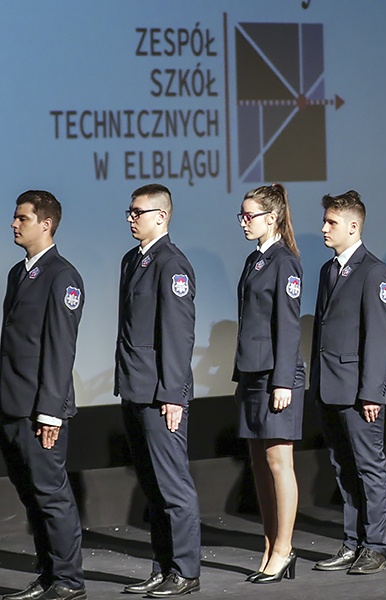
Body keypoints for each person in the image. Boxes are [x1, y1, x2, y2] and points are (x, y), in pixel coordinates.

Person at [115, 184, 201, 596]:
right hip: (134, 388)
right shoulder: (133, 259)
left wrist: (173, 394)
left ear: (161, 216)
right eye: (129, 212)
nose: (131, 218)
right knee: (152, 486)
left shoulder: (172, 264)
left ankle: (185, 571)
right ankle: (162, 566)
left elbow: (179, 336)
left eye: (138, 211)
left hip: (159, 393)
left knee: (173, 486)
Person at [0, 191, 86, 600]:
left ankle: (69, 581)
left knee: (51, 496)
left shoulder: (62, 275)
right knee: (32, 497)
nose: (14, 224)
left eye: (22, 218)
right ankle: (49, 575)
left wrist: (50, 412)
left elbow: (60, 347)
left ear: (45, 223)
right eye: (14, 218)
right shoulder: (20, 272)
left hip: (40, 410)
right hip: (11, 403)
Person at [309, 190, 386, 575]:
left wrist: (372, 392)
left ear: (353, 226)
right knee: (343, 467)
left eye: (331, 222)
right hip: (330, 387)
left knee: (368, 468)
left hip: (359, 392)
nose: (324, 228)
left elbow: (379, 336)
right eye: (325, 221)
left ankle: (375, 546)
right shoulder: (330, 269)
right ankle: (352, 542)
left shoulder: (374, 271)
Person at [233, 184, 304, 583]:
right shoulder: (254, 260)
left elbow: (288, 327)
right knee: (259, 464)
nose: (244, 222)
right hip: (252, 374)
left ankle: (284, 548)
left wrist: (282, 383)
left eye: (250, 215)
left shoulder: (285, 262)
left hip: (277, 377)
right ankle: (269, 544)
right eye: (241, 215)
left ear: (272, 217)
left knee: (279, 462)